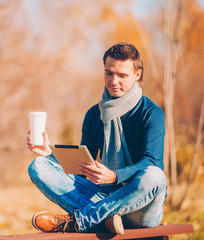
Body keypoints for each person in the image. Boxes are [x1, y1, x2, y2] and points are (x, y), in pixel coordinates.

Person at [26, 42, 166, 235]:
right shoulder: (94, 114)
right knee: (38, 166)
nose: (113, 81)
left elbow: (152, 162)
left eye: (122, 75)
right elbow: (83, 167)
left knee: (155, 175)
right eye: (109, 73)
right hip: (102, 195)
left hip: (141, 207)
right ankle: (105, 220)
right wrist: (49, 154)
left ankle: (81, 220)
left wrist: (115, 176)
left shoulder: (151, 113)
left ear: (137, 74)